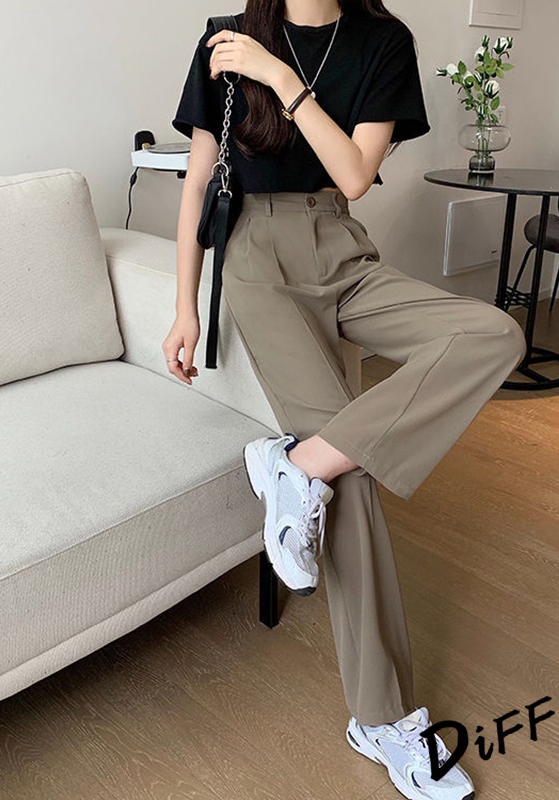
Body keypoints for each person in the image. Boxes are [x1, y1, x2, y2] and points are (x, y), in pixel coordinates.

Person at [166, 2, 526, 798]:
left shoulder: (383, 42)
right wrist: (185, 305)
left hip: (341, 246)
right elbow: (197, 178)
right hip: (256, 254)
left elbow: (355, 175)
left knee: (493, 335)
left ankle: (296, 466)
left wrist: (278, 76)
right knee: (353, 481)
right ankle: (383, 718)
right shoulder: (227, 36)